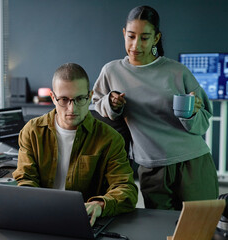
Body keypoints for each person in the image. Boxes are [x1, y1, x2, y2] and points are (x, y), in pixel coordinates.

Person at [92, 5, 218, 210]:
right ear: (124, 33)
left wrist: (192, 113)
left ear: (156, 39)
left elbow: (203, 123)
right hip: (150, 167)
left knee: (198, 229)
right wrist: (111, 103)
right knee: (160, 230)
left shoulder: (177, 71)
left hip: (192, 162)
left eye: (144, 38)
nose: (136, 45)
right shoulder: (112, 71)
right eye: (131, 36)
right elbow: (98, 103)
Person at [12, 63, 138, 225]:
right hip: (40, 217)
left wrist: (100, 205)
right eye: (64, 99)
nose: (72, 108)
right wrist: (34, 202)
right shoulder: (32, 131)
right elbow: (25, 178)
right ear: (53, 98)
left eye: (80, 99)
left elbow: (126, 188)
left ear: (90, 96)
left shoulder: (110, 138)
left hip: (85, 222)